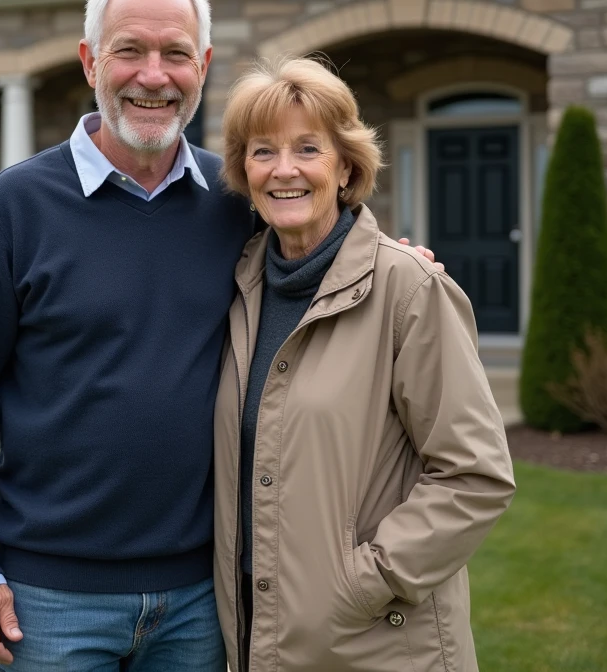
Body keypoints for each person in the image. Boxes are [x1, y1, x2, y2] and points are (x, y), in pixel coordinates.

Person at [0, 0, 440, 671]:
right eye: (129, 50)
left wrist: (398, 267)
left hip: (203, 598)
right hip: (49, 600)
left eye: (174, 55)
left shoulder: (236, 205)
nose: (153, 76)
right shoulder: (14, 208)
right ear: (89, 62)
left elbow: (323, 250)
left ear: (203, 66)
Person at [211, 57, 516, 672]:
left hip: (376, 643)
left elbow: (475, 475)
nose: (284, 169)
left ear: (346, 165)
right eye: (263, 151)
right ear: (245, 170)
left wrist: (364, 582)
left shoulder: (409, 290)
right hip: (252, 636)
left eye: (307, 149)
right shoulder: (236, 286)